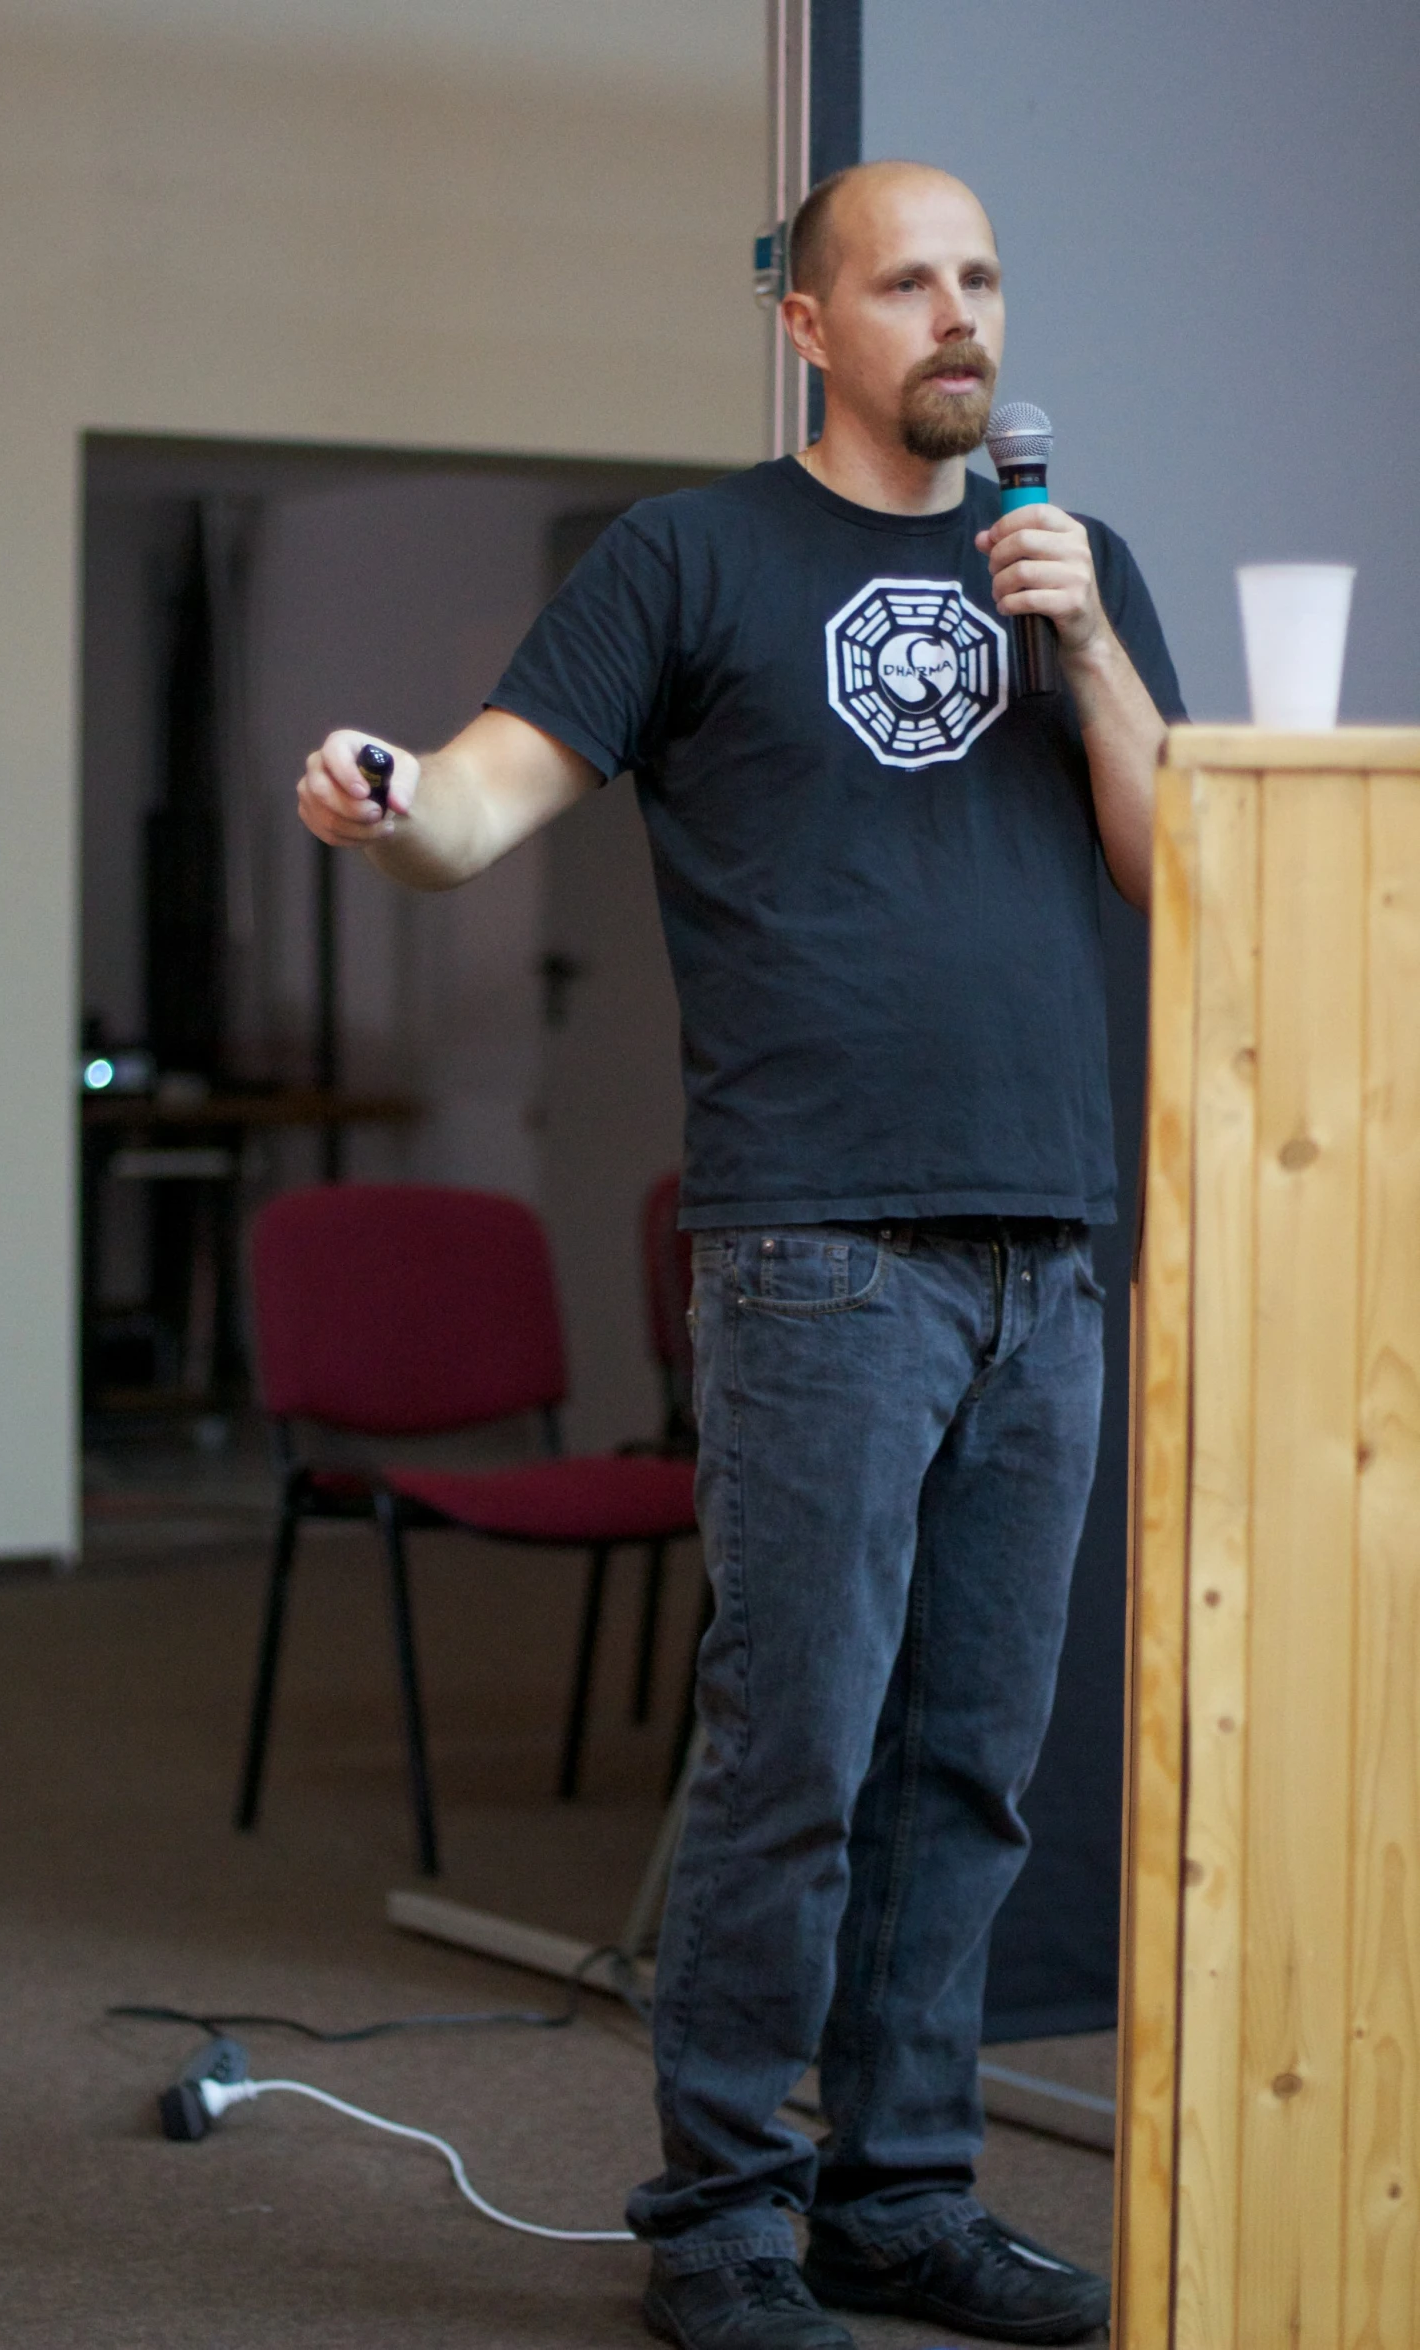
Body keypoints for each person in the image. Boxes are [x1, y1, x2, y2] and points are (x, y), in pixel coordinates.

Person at [298, 160, 1183, 2350]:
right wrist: (393, 804)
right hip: (817, 1253)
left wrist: (1076, 639)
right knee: (799, 1743)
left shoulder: (1080, 568)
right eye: (907, 283)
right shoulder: (692, 558)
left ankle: (901, 2191)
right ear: (808, 323)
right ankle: (720, 2219)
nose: (956, 315)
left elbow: (1183, 864)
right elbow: (489, 798)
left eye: (981, 276)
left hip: (1048, 1250)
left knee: (971, 1757)